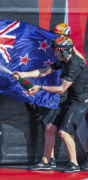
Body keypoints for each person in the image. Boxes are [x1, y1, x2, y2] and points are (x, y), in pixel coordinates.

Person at [13, 36, 88, 173]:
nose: (55, 53)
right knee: (50, 128)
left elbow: (61, 89)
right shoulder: (64, 61)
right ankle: (46, 161)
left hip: (80, 101)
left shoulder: (74, 64)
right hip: (69, 99)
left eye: (57, 51)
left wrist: (39, 88)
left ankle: (74, 164)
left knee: (64, 132)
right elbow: (44, 72)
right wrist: (23, 74)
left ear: (64, 51)